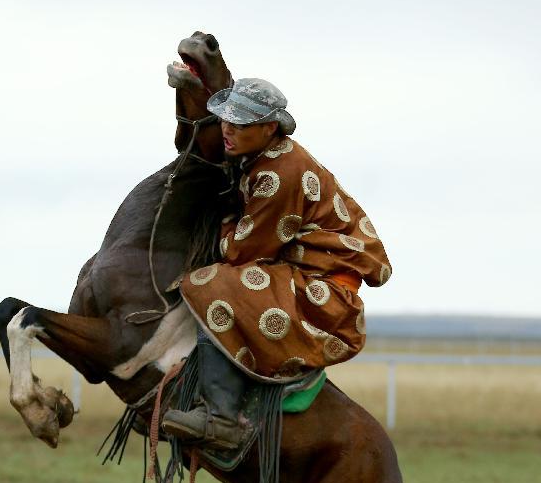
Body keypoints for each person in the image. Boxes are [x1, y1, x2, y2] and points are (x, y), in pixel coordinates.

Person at [162, 78, 392, 450]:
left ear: (269, 128)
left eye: (240, 124)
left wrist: (223, 220)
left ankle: (221, 417)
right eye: (225, 120)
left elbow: (243, 251)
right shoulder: (264, 159)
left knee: (211, 283)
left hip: (324, 297)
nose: (227, 129)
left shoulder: (278, 174)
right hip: (304, 277)